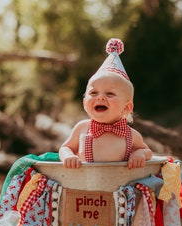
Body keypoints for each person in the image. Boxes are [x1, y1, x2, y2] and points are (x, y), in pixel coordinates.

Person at [59, 38, 152, 169]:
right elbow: (65, 147)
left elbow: (148, 152)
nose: (100, 98)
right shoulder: (82, 128)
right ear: (85, 102)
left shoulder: (131, 135)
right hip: (84, 185)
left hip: (119, 186)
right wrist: (68, 156)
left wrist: (139, 153)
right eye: (93, 93)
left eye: (110, 94)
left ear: (127, 107)